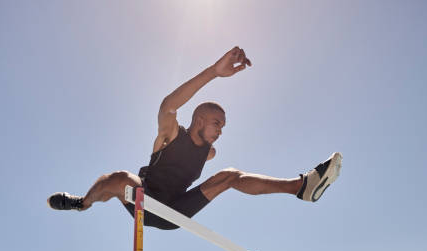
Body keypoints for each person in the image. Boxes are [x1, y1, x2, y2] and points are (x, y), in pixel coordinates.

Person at [47, 47, 342, 230]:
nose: (220, 131)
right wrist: (214, 72)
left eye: (223, 126)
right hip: (147, 202)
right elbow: (168, 106)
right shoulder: (171, 136)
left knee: (230, 175)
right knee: (116, 178)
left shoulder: (209, 153)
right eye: (217, 123)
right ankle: (82, 203)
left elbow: (227, 174)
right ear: (198, 120)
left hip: (175, 211)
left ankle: (300, 187)